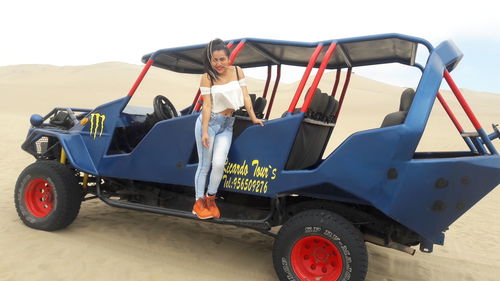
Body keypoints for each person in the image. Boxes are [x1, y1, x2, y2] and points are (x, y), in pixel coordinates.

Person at [193, 38, 264, 219]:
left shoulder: (238, 72)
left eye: (222, 59)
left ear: (229, 58)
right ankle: (198, 202)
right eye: (214, 60)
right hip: (209, 122)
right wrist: (205, 132)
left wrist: (253, 117)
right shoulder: (207, 77)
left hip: (227, 124)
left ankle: (210, 199)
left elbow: (246, 97)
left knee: (219, 164)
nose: (218, 64)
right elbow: (207, 105)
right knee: (204, 165)